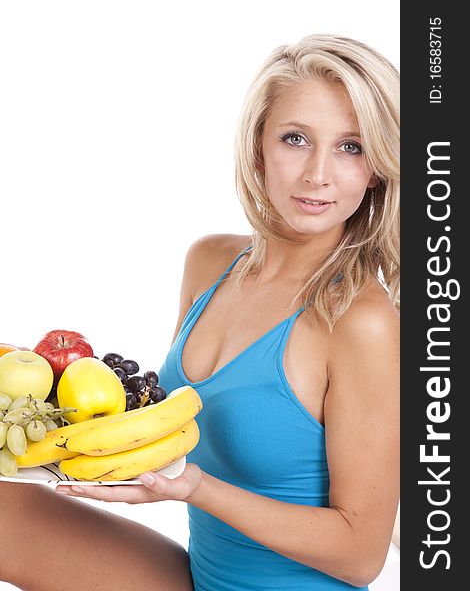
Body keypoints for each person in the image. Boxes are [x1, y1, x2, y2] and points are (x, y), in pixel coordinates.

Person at [0, 33, 399, 590]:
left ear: (378, 167)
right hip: (202, 576)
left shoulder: (362, 321)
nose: (318, 174)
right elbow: (166, 415)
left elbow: (361, 556)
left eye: (351, 147)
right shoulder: (210, 261)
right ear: (258, 145)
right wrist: (47, 391)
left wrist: (198, 489)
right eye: (295, 138)